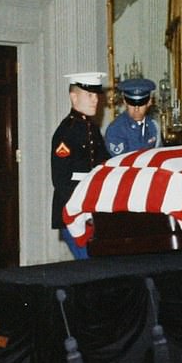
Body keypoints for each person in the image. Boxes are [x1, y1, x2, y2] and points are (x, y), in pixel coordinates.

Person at [51, 72, 111, 259]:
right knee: (89, 266)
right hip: (75, 213)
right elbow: (61, 181)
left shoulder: (92, 128)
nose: (95, 100)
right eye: (89, 95)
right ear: (74, 96)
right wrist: (81, 209)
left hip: (92, 211)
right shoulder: (66, 133)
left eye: (96, 95)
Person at [105, 78, 160, 156]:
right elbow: (121, 161)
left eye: (141, 103)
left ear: (149, 102)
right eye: (132, 103)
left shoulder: (153, 125)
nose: (136, 109)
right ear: (125, 101)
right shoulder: (116, 129)